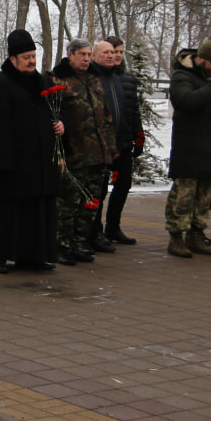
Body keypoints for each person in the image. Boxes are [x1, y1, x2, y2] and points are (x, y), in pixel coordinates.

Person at [0, 30, 62, 272]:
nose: (32, 61)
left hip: (41, 163)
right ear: (12, 59)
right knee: (5, 212)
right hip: (11, 163)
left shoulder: (43, 83)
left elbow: (56, 112)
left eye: (34, 56)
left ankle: (33, 255)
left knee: (37, 211)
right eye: (26, 57)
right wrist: (0, 164)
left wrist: (60, 124)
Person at [164, 42, 211, 258]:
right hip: (189, 149)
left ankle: (196, 234)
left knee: (204, 197)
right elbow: (186, 101)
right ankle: (176, 237)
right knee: (184, 197)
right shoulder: (182, 77)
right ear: (201, 58)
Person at [51, 39, 117, 264]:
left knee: (91, 203)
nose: (87, 59)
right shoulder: (58, 80)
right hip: (73, 154)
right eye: (82, 54)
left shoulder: (94, 80)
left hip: (97, 154)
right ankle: (62, 246)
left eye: (89, 55)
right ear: (70, 55)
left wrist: (110, 148)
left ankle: (79, 243)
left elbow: (106, 117)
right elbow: (53, 116)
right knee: (69, 203)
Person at [92, 37, 144, 246]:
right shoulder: (97, 78)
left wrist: (138, 136)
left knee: (123, 186)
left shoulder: (127, 79)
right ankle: (96, 231)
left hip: (124, 142)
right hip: (104, 145)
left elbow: (134, 110)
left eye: (120, 52)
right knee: (100, 189)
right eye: (113, 52)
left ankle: (114, 226)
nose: (117, 56)